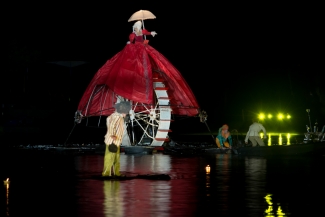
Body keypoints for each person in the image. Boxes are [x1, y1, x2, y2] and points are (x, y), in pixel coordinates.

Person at [102, 101, 131, 177]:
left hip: (115, 141)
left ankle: (116, 173)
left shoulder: (112, 116)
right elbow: (112, 125)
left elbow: (108, 121)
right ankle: (106, 174)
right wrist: (112, 134)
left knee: (115, 158)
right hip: (113, 141)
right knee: (110, 158)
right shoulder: (118, 117)